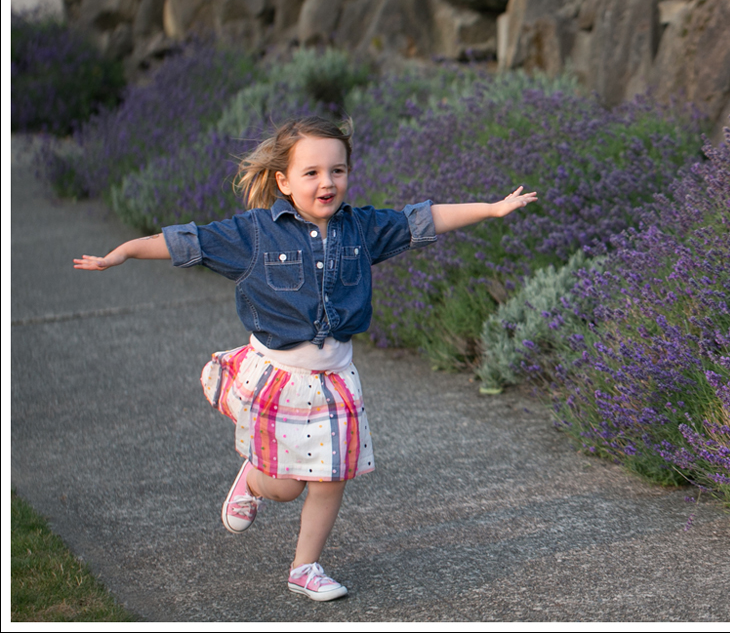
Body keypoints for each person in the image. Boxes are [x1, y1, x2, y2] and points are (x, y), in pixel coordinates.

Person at [74, 116, 537, 601]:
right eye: (311, 173)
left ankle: (305, 567)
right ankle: (254, 480)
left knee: (330, 476)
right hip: (279, 378)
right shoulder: (254, 233)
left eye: (337, 171)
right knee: (286, 488)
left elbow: (423, 219)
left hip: (335, 379)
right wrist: (122, 252)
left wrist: (492, 208)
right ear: (283, 181)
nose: (326, 182)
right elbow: (187, 242)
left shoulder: (362, 228)